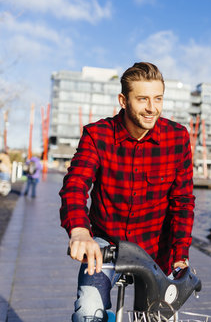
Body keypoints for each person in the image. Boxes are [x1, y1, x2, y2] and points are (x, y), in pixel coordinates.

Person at [59, 62, 195, 322]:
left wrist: (181, 255)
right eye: (142, 99)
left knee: (156, 318)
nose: (152, 108)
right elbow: (75, 184)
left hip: (156, 250)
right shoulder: (97, 135)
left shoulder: (177, 138)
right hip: (105, 243)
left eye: (158, 99)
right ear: (123, 100)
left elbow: (183, 202)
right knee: (88, 312)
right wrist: (79, 231)